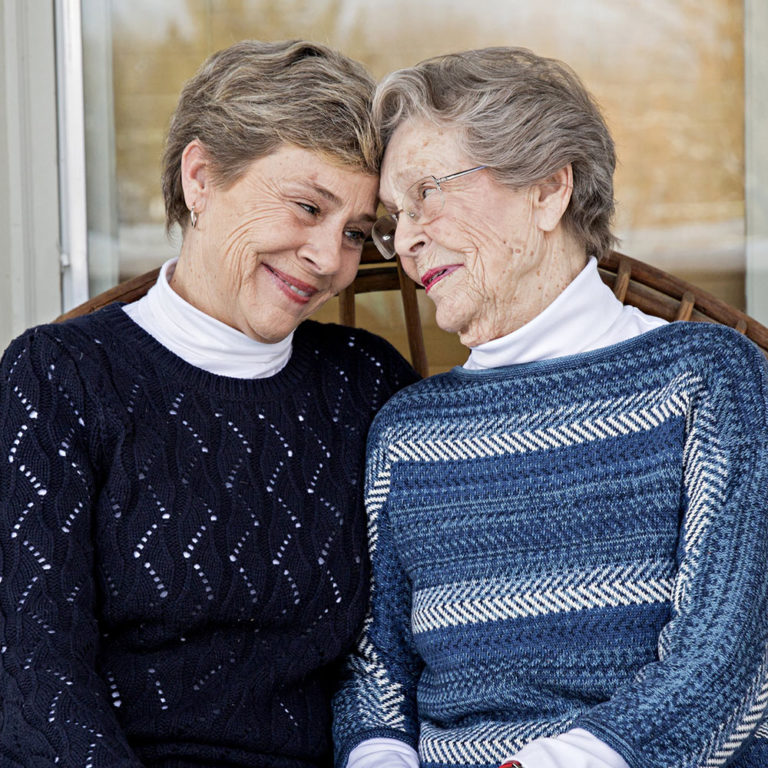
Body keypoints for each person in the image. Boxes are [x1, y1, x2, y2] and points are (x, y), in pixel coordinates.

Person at [332, 47, 768, 768]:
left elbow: (732, 654)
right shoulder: (409, 431)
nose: (406, 240)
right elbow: (375, 665)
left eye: (428, 192)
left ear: (547, 189)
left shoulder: (707, 378)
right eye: (394, 216)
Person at [0, 40, 418, 767]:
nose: (329, 259)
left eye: (354, 231)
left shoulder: (368, 384)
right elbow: (37, 680)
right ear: (201, 178)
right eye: (306, 206)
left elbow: (407, 644)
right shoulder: (60, 377)